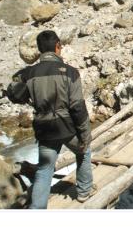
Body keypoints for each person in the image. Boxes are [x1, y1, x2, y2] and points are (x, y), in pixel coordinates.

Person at [7, 30, 95, 208]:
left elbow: (13, 94)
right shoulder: (70, 72)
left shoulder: (28, 73)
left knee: (45, 168)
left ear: (39, 50)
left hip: (44, 129)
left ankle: (37, 208)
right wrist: (85, 134)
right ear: (57, 47)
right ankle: (84, 192)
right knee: (83, 152)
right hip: (67, 128)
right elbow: (77, 107)